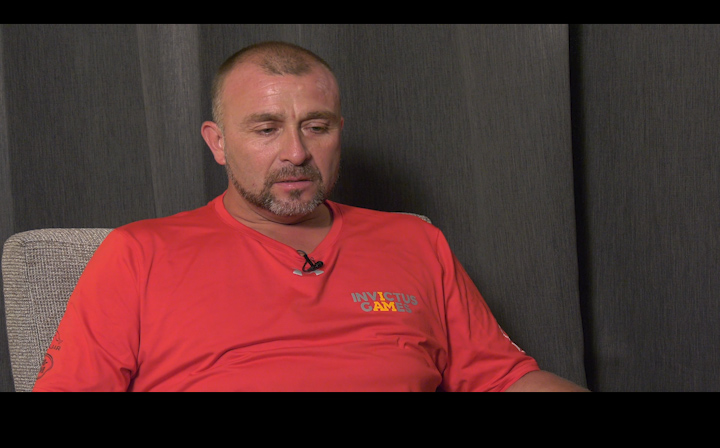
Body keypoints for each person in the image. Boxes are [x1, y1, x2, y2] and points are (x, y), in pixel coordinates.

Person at [32, 41, 587, 392]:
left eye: (316, 127)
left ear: (338, 132)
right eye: (266, 128)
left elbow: (504, 377)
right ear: (218, 142)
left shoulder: (414, 241)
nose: (296, 152)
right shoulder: (139, 254)